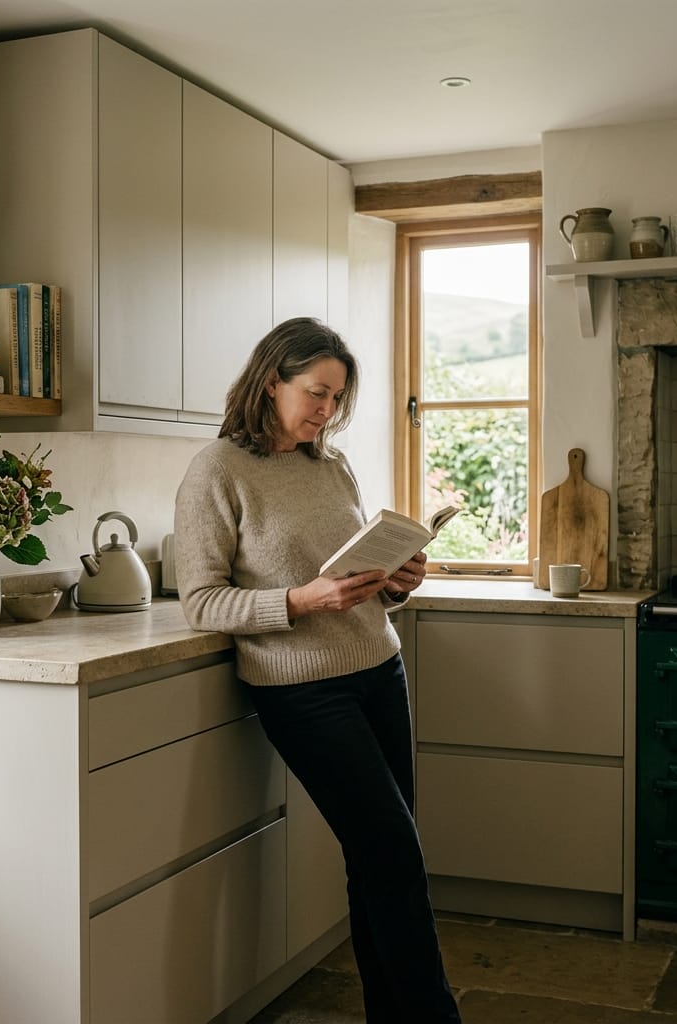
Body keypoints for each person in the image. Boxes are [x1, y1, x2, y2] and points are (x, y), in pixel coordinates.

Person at [174, 316, 461, 1024]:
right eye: (316, 393)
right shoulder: (217, 470)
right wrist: (300, 602)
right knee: (392, 853)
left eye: (336, 399)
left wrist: (399, 579)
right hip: (302, 689)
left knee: (381, 860)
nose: (325, 411)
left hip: (377, 667)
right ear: (272, 380)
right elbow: (201, 601)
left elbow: (356, 578)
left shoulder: (329, 464)